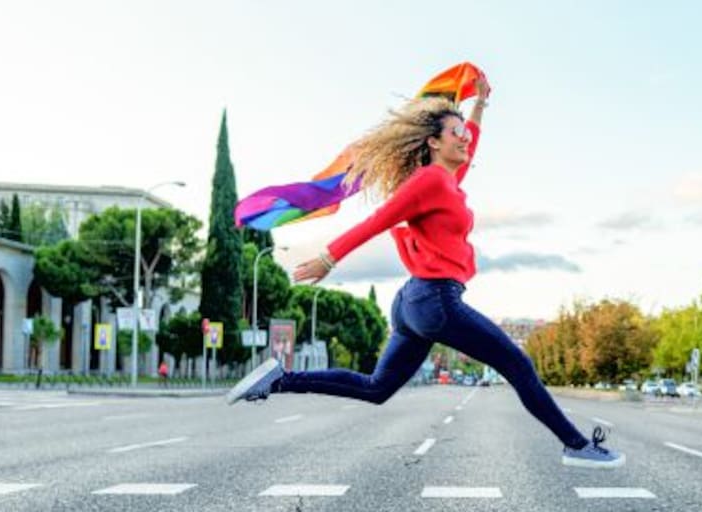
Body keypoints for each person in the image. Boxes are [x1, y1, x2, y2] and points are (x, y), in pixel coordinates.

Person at [226, 77, 623, 468]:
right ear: (434, 142)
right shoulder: (429, 181)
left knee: (377, 388)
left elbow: (472, 141)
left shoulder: (446, 180)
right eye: (455, 133)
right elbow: (378, 221)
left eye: (464, 133)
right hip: (436, 300)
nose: (465, 139)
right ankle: (575, 445)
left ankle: (280, 380)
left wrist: (479, 105)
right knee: (517, 365)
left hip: (414, 301)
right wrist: (328, 259)